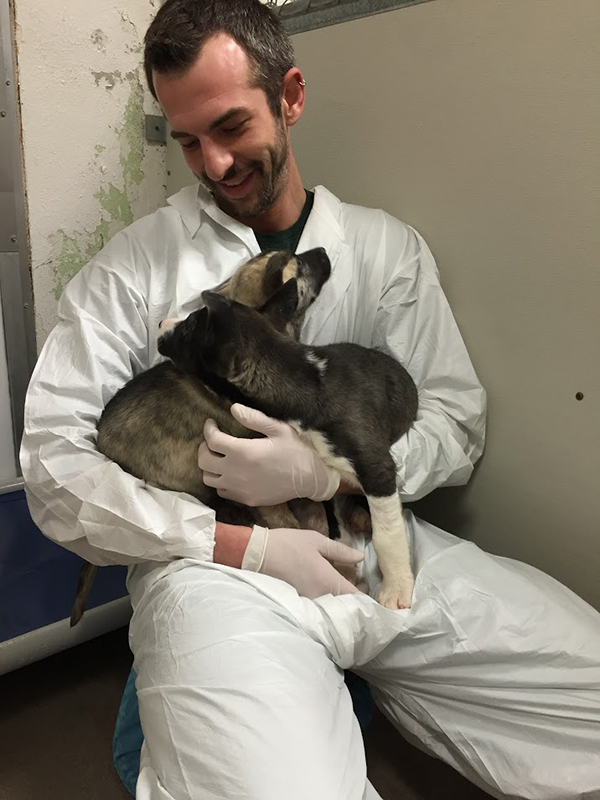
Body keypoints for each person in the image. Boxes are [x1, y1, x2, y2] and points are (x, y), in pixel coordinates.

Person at [20, 2, 600, 799]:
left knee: (587, 682)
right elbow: (53, 466)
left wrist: (334, 476)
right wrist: (236, 545)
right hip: (217, 571)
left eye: (231, 126)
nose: (213, 163)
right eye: (187, 140)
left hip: (376, 537)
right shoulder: (134, 268)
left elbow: (455, 419)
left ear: (290, 95)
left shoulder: (383, 249)